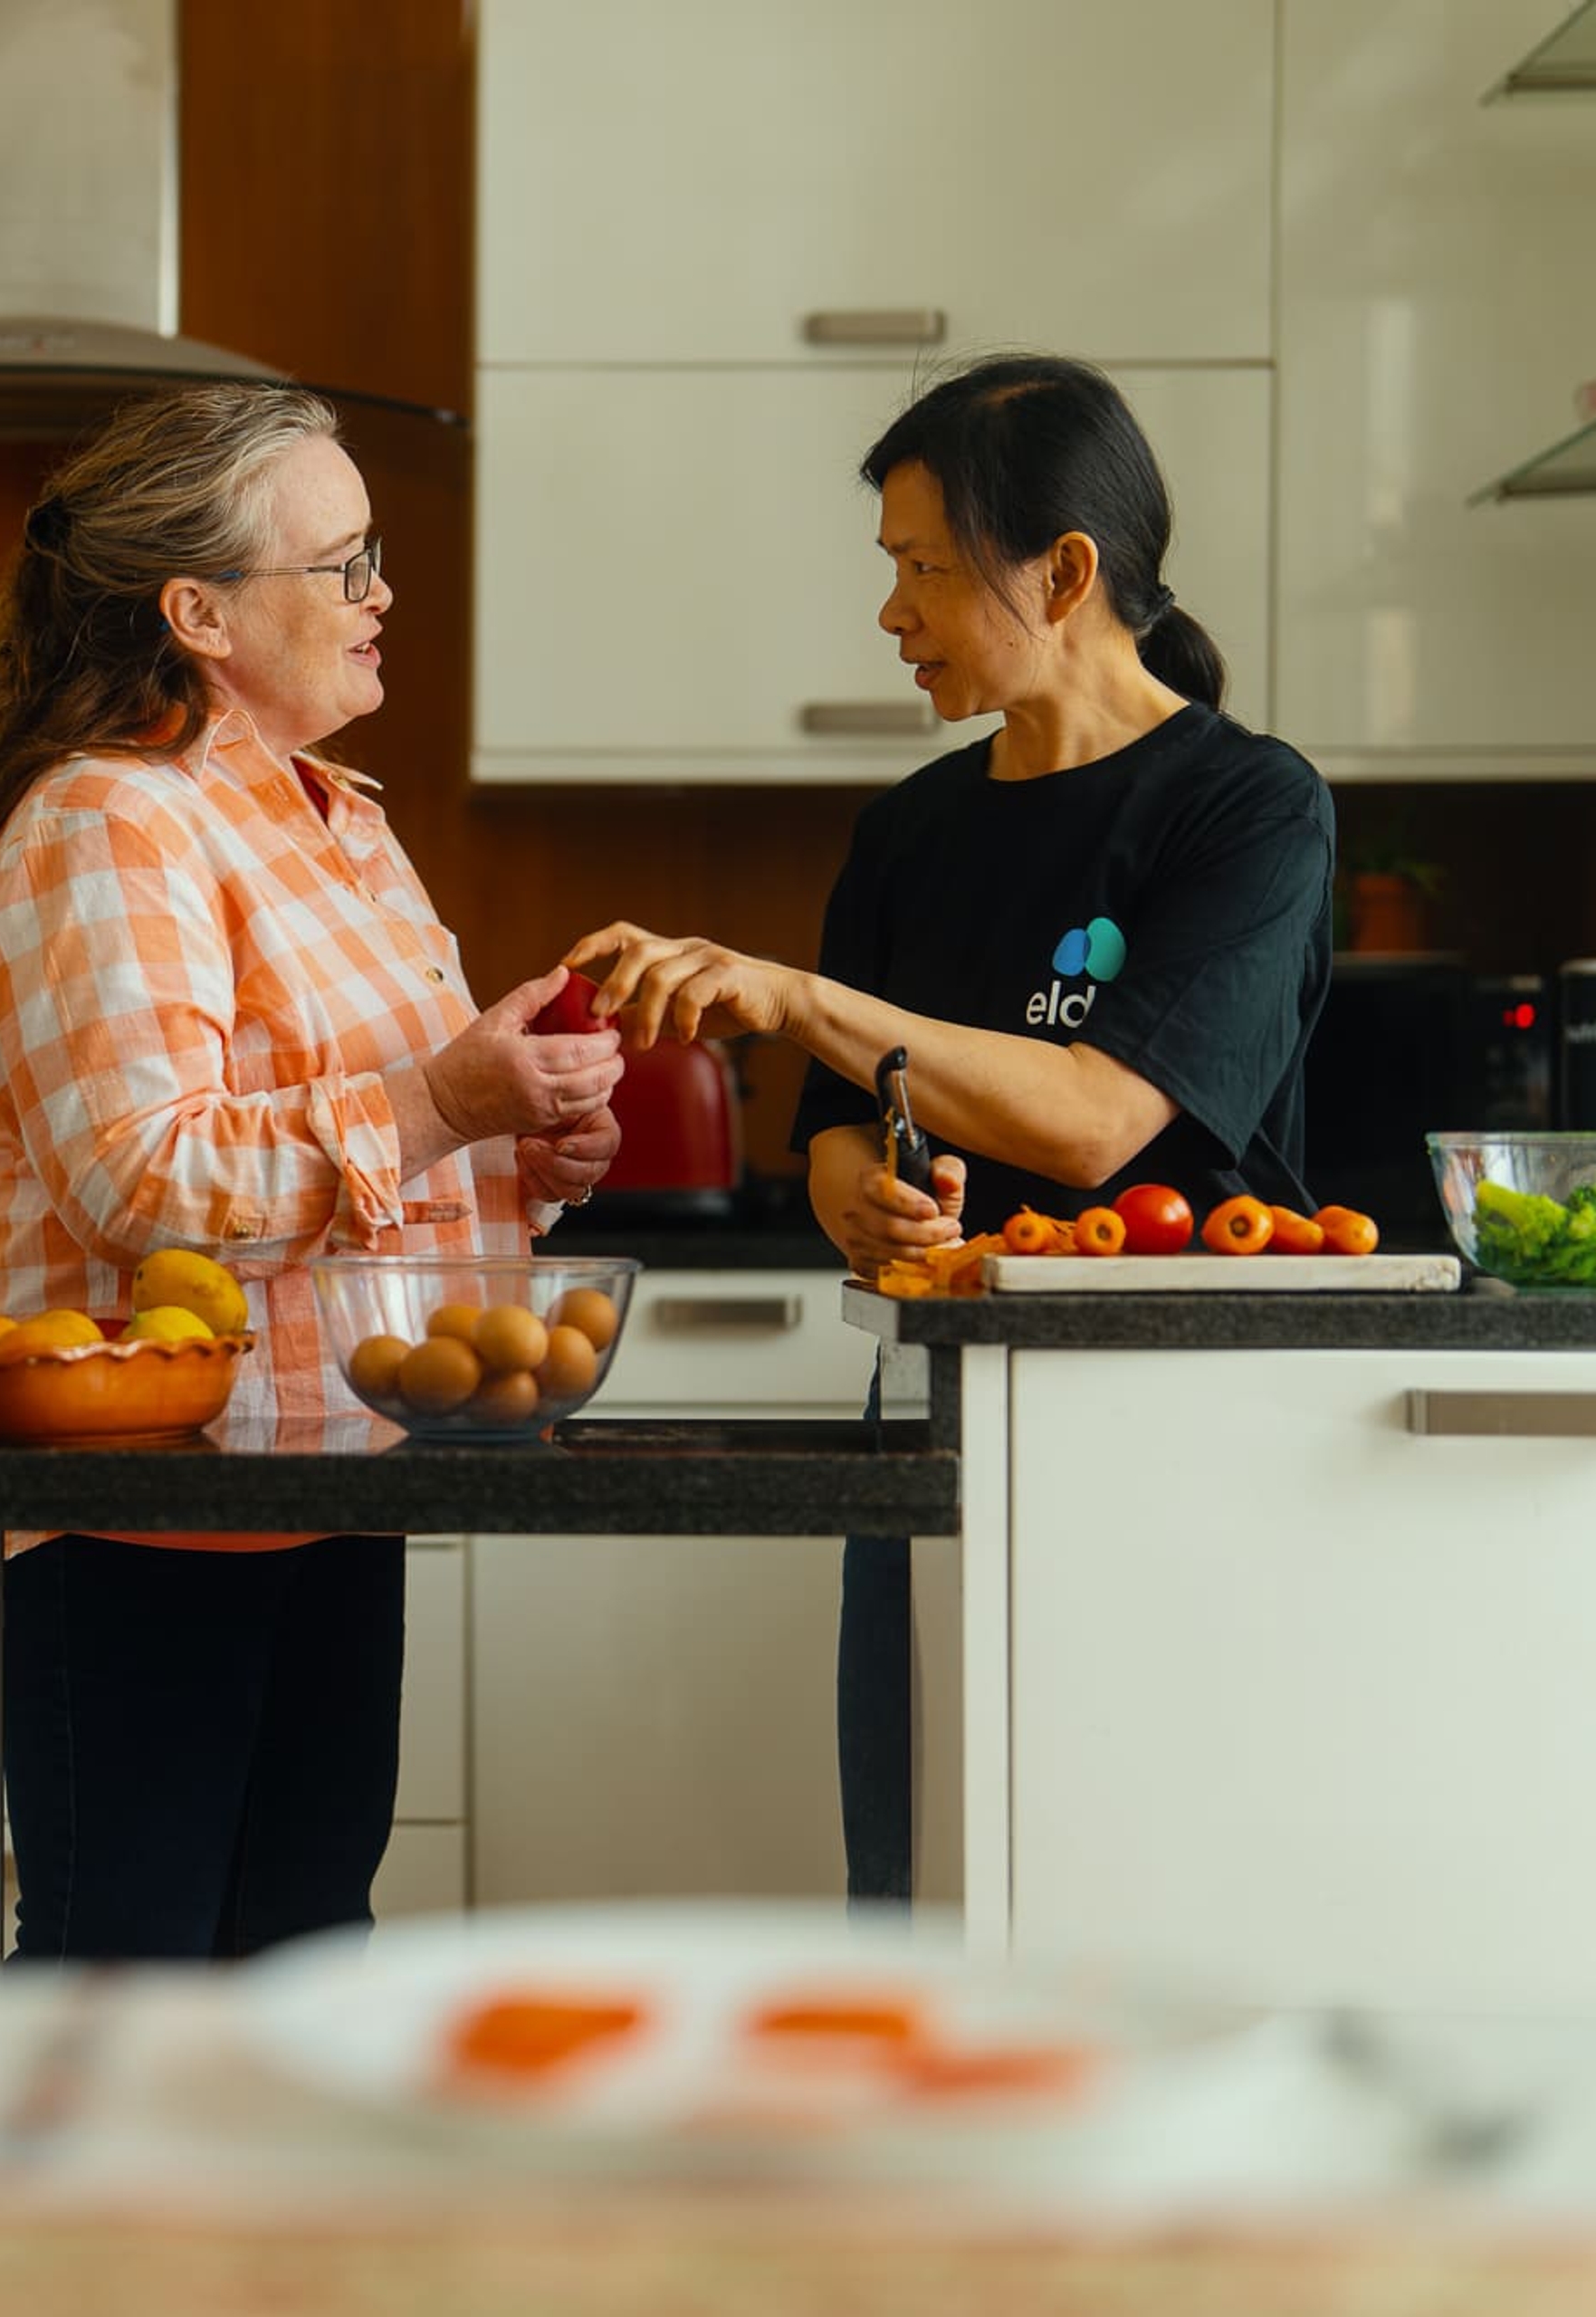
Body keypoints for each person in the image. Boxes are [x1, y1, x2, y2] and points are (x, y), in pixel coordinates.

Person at [567, 353, 1334, 1902]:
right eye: (892, 570)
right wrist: (863, 1201)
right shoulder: (909, 831)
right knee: (922, 1858)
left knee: (1151, 1858)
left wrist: (790, 995)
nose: (892, 612)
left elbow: (1101, 1120)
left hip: (1177, 1417)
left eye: (923, 568)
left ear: (1064, 572)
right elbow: (843, 1133)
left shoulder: (1248, 809)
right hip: (936, 1397)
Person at [0, 384, 626, 1962]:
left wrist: (527, 1148)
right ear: (201, 612)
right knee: (132, 1978)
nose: (384, 597)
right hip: (142, 1506)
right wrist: (445, 1097)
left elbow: (378, 1154)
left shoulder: (337, 822)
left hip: (322, 1479)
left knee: (305, 1958)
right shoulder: (109, 821)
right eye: (344, 563)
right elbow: (142, 1178)